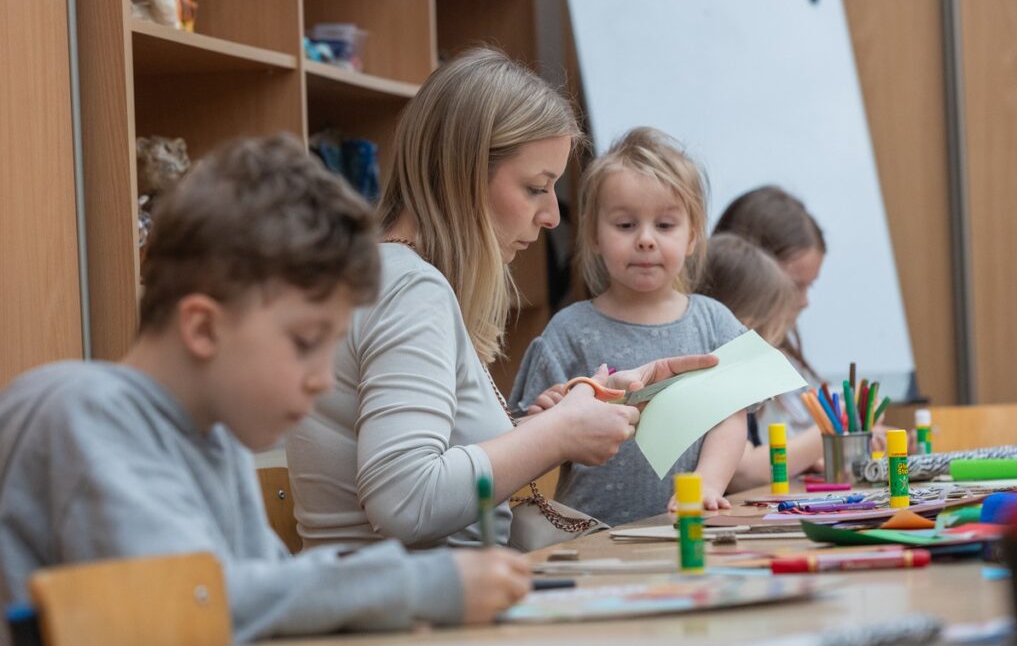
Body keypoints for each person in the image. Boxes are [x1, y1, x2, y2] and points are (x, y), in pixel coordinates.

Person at [0, 134, 531, 644]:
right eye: (305, 342)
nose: (323, 378)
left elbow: (270, 596)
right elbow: (193, 604)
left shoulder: (214, 438)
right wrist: (419, 586)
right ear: (204, 328)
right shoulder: (84, 412)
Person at [285, 49, 717, 550]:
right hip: (415, 615)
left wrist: (549, 422)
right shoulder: (410, 290)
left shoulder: (385, 275)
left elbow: (431, 463)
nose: (553, 215)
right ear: (464, 175)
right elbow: (405, 500)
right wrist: (557, 435)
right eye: (537, 188)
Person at [508, 127, 748, 527]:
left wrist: (707, 486)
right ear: (594, 235)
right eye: (625, 225)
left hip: (688, 527)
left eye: (666, 225)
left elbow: (730, 417)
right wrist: (546, 415)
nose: (646, 241)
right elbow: (527, 441)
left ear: (693, 235)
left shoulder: (715, 322)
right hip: (588, 536)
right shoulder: (569, 330)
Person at [697, 232, 825, 491]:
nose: (776, 352)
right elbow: (745, 472)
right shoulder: (721, 387)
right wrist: (834, 428)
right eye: (773, 338)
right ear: (746, 329)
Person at [713, 186, 827, 440]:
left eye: (811, 285)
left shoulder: (784, 357)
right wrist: (832, 436)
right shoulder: (722, 366)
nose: (805, 301)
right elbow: (744, 470)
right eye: (796, 285)